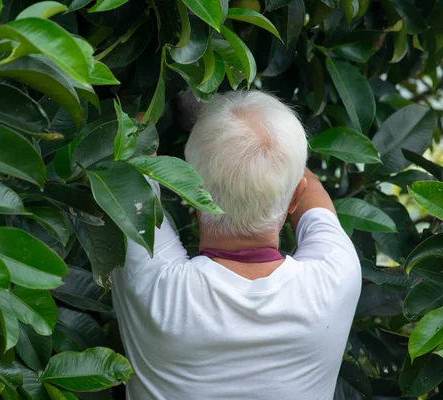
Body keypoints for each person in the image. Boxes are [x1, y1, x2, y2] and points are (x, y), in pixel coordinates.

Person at [111, 90, 362, 399]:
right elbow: (313, 195)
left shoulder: (156, 285)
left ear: (189, 188)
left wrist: (182, 97)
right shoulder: (336, 278)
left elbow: (132, 143)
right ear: (294, 197)